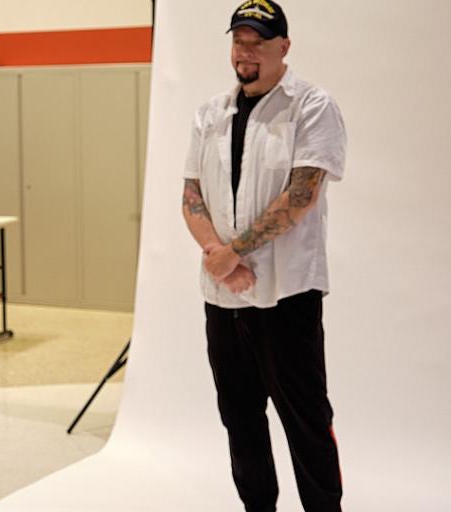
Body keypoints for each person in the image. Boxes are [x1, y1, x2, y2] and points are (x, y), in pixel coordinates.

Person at [181, 1, 346, 511]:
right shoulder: (210, 113)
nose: (245, 52)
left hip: (287, 295)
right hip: (222, 297)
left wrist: (234, 252)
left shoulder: (312, 106)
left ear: (284, 47)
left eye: (258, 42)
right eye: (239, 41)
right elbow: (191, 195)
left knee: (306, 420)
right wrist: (217, 255)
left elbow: (302, 195)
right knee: (240, 417)